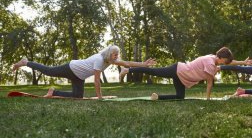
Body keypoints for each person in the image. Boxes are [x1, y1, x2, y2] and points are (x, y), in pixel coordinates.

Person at [12, 45, 156, 99]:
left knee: (78, 96)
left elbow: (127, 63)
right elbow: (96, 80)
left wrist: (143, 63)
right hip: (71, 68)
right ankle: (26, 62)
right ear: (109, 54)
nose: (117, 57)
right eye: (115, 55)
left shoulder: (110, 60)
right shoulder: (100, 60)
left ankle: (53, 93)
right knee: (49, 71)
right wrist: (99, 97)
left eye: (117, 55)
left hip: (78, 76)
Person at [119, 47, 252, 100]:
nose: (227, 62)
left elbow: (230, 62)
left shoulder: (214, 59)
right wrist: (207, 99)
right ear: (221, 57)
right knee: (153, 71)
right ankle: (128, 70)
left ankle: (157, 97)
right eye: (226, 60)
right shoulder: (210, 62)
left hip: (182, 76)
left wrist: (242, 62)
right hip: (177, 70)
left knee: (180, 96)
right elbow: (209, 82)